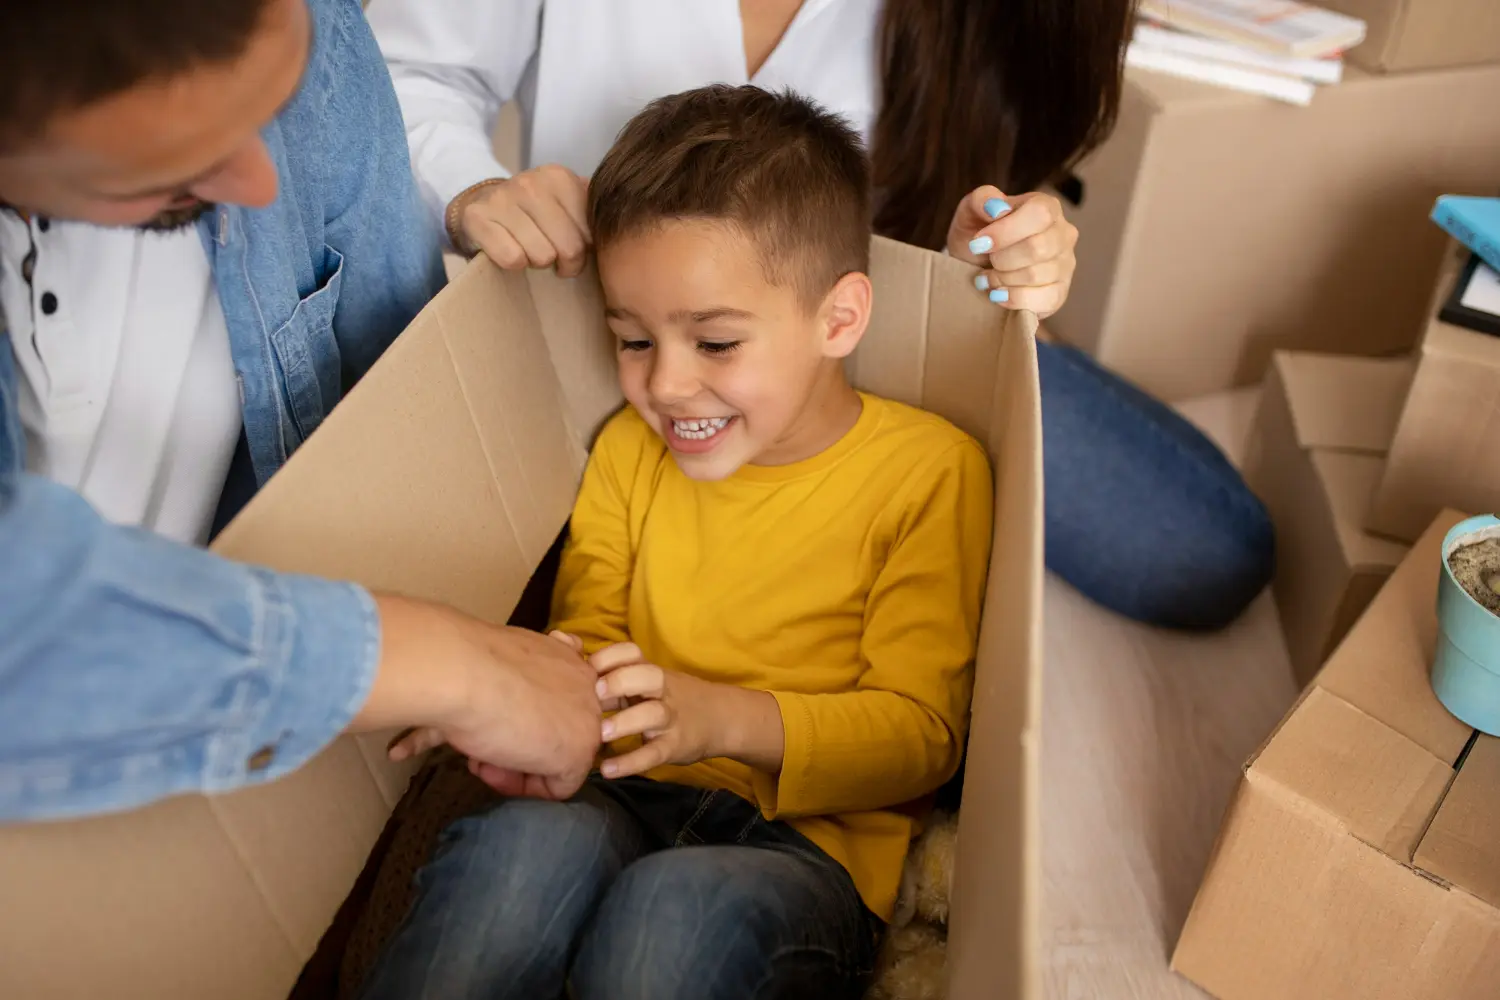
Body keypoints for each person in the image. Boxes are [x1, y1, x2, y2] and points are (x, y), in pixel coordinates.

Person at [360, 83, 989, 1000]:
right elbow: (588, 635)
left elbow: (921, 738)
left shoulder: (931, 470)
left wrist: (715, 717)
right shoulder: (628, 446)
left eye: (718, 343)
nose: (669, 386)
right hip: (618, 789)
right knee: (520, 850)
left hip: (807, 849)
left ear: (840, 319)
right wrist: (504, 677)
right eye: (632, 339)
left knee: (673, 912)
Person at [368, 0, 1276, 631]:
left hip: (850, 351)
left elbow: (987, 188)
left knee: (1208, 553)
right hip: (601, 339)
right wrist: (475, 190)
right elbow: (402, 72)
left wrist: (1001, 265)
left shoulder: (983, 33)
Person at [0, 0, 602, 824]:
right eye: (187, 164)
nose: (263, 185)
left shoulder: (319, 32)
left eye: (272, 106)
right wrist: (458, 667)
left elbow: (409, 411)